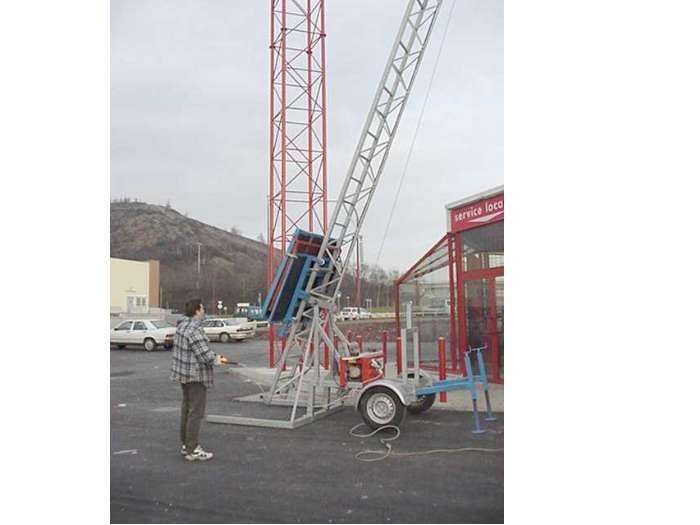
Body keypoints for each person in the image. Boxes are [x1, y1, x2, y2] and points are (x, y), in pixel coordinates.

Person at [170, 298, 222, 461]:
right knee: (196, 412)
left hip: (183, 375)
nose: (204, 311)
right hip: (195, 376)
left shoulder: (182, 326)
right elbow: (204, 355)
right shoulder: (194, 330)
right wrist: (217, 359)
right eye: (203, 308)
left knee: (187, 409)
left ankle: (186, 445)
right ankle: (192, 450)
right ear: (197, 311)